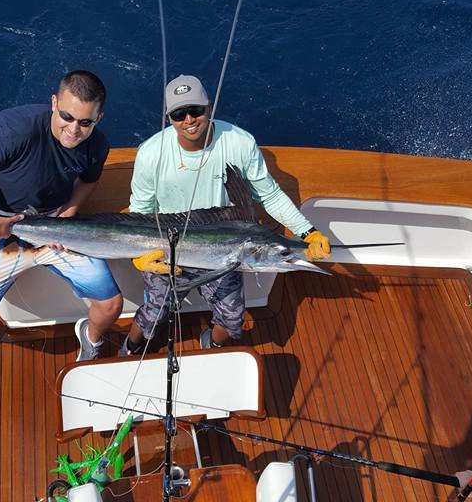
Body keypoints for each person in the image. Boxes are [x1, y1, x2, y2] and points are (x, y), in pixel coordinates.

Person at [0, 70, 124, 377]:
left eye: (85, 122)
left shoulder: (97, 144)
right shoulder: (13, 130)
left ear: (98, 118)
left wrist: (69, 211)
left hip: (56, 227)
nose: (74, 129)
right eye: (66, 116)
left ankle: (91, 339)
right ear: (54, 103)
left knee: (112, 304)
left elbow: (89, 181)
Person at [123, 74, 331, 355]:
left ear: (208, 107)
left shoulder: (239, 143)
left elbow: (269, 195)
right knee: (153, 313)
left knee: (233, 319)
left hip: (225, 252)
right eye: (179, 114)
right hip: (167, 249)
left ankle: (213, 344)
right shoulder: (151, 153)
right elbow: (140, 213)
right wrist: (139, 255)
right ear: (169, 118)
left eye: (195, 110)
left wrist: (308, 232)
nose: (189, 120)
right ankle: (131, 347)